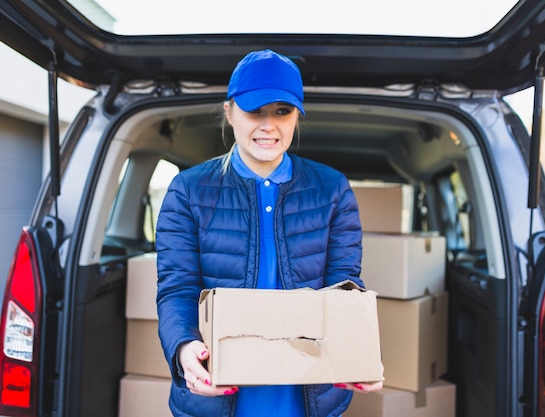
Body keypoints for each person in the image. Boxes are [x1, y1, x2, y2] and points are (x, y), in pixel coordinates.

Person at [155, 49, 382, 417]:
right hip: (219, 392)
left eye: (282, 111)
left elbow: (344, 287)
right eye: (254, 111)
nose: (268, 126)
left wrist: (357, 353)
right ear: (229, 111)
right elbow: (177, 289)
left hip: (307, 392)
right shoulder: (189, 190)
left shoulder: (332, 189)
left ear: (297, 116)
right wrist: (183, 348)